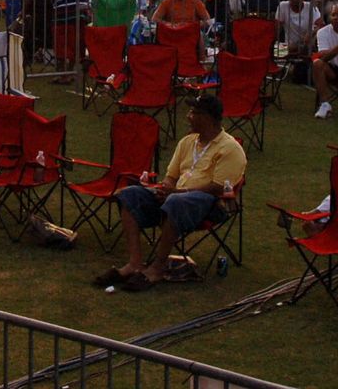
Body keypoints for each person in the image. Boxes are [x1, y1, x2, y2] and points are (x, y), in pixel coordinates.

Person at [94, 95, 245, 292]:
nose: (188, 117)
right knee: (128, 194)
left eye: (194, 113)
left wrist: (176, 192)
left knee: (175, 201)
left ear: (208, 118)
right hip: (175, 198)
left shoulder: (231, 148)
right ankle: (135, 264)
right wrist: (164, 188)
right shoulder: (187, 142)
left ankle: (157, 268)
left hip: (208, 205)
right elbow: (171, 176)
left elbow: (218, 187)